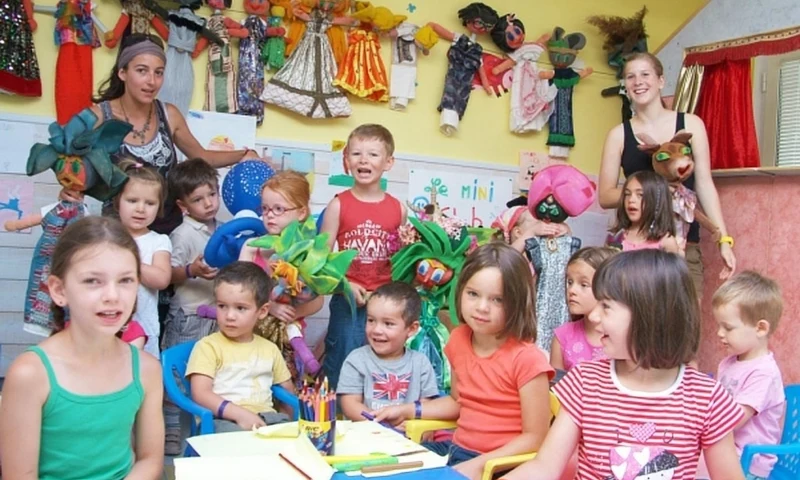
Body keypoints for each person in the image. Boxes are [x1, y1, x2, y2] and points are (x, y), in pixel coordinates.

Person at [500, 250, 745, 480]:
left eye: (606, 306)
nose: (594, 316)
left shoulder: (706, 398)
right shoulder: (585, 382)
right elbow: (544, 467)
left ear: (650, 315)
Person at [0, 216, 163, 480]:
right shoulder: (30, 374)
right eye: (92, 281)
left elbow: (150, 459)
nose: (112, 296)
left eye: (125, 280)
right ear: (58, 290)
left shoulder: (147, 369)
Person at [375, 243, 554, 480]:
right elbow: (458, 402)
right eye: (473, 294)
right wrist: (408, 410)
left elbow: (536, 438)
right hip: (458, 453)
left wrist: (479, 465)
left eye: (498, 300)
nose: (482, 307)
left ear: (518, 302)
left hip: (502, 466)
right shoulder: (459, 338)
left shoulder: (528, 359)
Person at [79, 33, 261, 234]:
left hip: (167, 229)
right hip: (117, 232)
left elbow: (202, 156)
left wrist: (244, 154)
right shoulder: (98, 117)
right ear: (122, 72)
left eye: (158, 73)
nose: (152, 81)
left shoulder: (169, 114)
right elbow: (73, 168)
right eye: (142, 71)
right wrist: (71, 191)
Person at [598, 52, 736, 293]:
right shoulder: (618, 135)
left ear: (661, 81)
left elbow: (704, 185)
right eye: (630, 77)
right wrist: (653, 193)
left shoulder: (692, 124)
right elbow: (605, 196)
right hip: (636, 248)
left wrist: (724, 240)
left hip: (684, 247)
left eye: (645, 74)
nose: (638, 82)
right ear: (626, 85)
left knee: (686, 316)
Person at [320, 124, 407, 389]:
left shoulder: (398, 209)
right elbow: (320, 261)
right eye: (356, 153)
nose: (363, 160)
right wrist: (344, 284)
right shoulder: (338, 205)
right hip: (347, 300)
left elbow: (403, 261)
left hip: (386, 303)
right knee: (342, 362)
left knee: (382, 366)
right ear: (346, 160)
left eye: (373, 154)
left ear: (388, 162)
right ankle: (338, 411)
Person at [187, 261, 295, 432]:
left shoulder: (270, 349)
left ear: (262, 311)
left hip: (265, 418)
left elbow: (287, 389)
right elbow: (201, 394)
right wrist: (240, 415)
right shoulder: (208, 347)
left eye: (240, 308)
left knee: (294, 441)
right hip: (222, 420)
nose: (230, 316)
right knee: (238, 442)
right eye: (222, 306)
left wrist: (288, 421)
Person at [239, 170, 324, 377]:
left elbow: (318, 301)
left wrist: (292, 312)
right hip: (250, 335)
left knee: (285, 384)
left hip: (288, 340)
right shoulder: (251, 247)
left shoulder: (308, 252)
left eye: (279, 209)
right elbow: (240, 292)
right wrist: (271, 308)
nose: (269, 215)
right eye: (265, 208)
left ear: (301, 213)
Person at [162, 158, 222, 454]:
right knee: (176, 374)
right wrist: (191, 270)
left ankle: (207, 424)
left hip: (216, 316)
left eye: (212, 194)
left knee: (211, 373)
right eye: (198, 199)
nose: (209, 203)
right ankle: (171, 429)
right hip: (188, 315)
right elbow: (167, 275)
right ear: (183, 206)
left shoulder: (222, 230)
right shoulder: (183, 234)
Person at [714, 271, 785, 480]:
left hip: (750, 463)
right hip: (728, 450)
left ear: (760, 328)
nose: (719, 333)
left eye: (727, 328)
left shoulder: (764, 373)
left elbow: (734, 419)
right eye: (719, 325)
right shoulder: (728, 363)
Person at [338, 282, 439, 422]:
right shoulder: (356, 360)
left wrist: (413, 425)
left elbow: (426, 406)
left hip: (408, 433)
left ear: (411, 329)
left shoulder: (420, 363)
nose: (376, 330)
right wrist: (381, 424)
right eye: (371, 320)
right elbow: (350, 405)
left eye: (388, 324)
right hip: (367, 431)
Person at [114, 159, 172, 357]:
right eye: (132, 201)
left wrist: (129, 260)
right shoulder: (107, 236)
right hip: (108, 327)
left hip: (145, 330)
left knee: (141, 373)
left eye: (150, 203)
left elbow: (162, 279)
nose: (141, 209)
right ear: (117, 201)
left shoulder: (159, 241)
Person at [550, 247, 617, 372]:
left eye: (583, 284)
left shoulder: (623, 339)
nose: (571, 290)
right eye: (570, 282)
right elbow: (556, 384)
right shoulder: (562, 337)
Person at [606, 170, 680, 253]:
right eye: (627, 194)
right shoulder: (616, 237)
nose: (631, 200)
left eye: (640, 195)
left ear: (657, 201)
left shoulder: (666, 242)